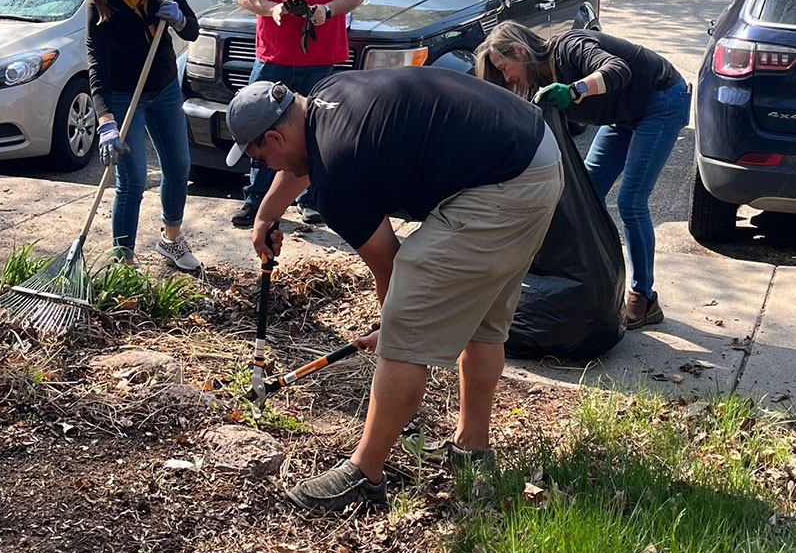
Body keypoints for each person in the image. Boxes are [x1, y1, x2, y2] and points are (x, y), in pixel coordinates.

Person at [224, 69, 564, 512]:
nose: (265, 168)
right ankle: (472, 448)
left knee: (405, 334)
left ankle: (364, 475)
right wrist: (266, 214)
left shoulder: (337, 178)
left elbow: (390, 264)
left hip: (502, 187)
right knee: (483, 320)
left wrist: (393, 327)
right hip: (534, 157)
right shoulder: (325, 96)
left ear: (273, 137)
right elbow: (302, 162)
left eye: (259, 158)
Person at [479, 22, 690, 330]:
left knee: (631, 201)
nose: (507, 76)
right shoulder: (539, 85)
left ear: (520, 51)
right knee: (586, 194)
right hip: (621, 113)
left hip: (660, 101)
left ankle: (644, 298)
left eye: (505, 67)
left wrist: (575, 89)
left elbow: (618, 70)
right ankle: (598, 277)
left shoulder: (569, 47)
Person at [230, 0, 365, 229]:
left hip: (320, 57)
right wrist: (270, 8)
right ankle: (255, 200)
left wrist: (328, 10)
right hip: (273, 56)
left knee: (314, 132)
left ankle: (310, 199)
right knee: (262, 130)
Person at [85, 0, 201, 272]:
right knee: (132, 180)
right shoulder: (101, 4)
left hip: (163, 86)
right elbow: (96, 67)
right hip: (123, 95)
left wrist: (179, 19)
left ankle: (171, 240)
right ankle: (124, 262)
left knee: (178, 166)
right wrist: (106, 122)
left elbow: (192, 28)